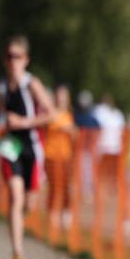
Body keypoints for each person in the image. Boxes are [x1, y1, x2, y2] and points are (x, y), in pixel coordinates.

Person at [0, 35, 54, 259]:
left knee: (28, 203)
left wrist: (23, 122)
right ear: (4, 60)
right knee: (15, 197)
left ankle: (18, 222)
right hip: (10, 147)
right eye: (9, 57)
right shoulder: (0, 87)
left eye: (17, 57)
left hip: (32, 146)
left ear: (26, 60)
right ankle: (17, 254)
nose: (13, 61)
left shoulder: (32, 84)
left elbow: (51, 114)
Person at [43, 84, 77, 232]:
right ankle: (52, 215)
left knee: (66, 186)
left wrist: (70, 130)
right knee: (53, 186)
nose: (61, 98)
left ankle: (65, 214)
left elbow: (75, 135)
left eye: (64, 95)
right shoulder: (49, 114)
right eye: (59, 95)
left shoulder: (69, 115)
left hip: (65, 156)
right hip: (50, 155)